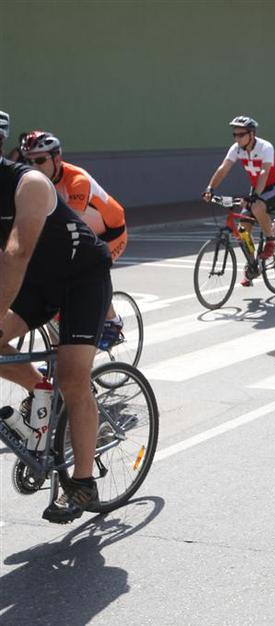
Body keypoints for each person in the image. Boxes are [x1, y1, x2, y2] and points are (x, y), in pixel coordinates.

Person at [0, 155, 113, 523]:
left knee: (73, 377)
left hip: (82, 279)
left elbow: (16, 254)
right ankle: (41, 391)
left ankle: (82, 483)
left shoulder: (29, 184)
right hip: (38, 284)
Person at [19, 131, 129, 344]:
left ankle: (113, 321)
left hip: (111, 233)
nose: (33, 167)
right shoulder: (35, 182)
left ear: (57, 158)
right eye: (28, 161)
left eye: (39, 160)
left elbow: (68, 225)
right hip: (81, 234)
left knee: (91, 270)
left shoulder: (77, 180)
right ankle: (54, 354)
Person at [202, 116, 275, 286]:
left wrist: (255, 195)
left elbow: (264, 172)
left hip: (273, 188)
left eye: (241, 135)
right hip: (256, 189)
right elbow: (224, 168)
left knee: (257, 206)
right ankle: (252, 265)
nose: (237, 138)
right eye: (235, 135)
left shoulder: (265, 147)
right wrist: (210, 188)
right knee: (243, 229)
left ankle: (270, 241)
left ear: (251, 134)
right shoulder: (237, 149)